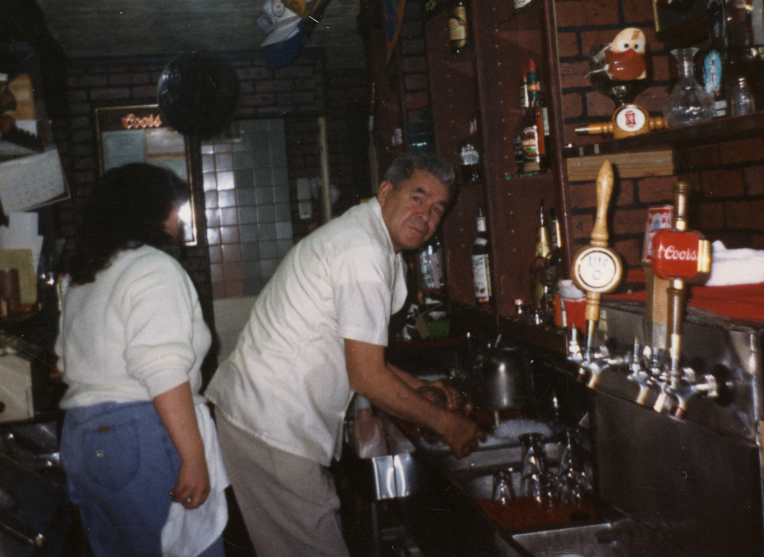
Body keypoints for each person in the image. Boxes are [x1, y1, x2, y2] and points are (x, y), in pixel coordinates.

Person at [206, 152, 483, 557]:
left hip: (259, 418)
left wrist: (420, 386)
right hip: (271, 425)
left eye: (438, 208)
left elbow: (357, 351)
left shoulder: (370, 241)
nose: (426, 215)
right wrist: (448, 425)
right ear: (386, 192)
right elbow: (367, 377)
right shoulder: (363, 252)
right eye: (418, 197)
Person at [56, 163, 227, 557]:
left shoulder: (87, 274)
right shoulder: (152, 268)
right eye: (174, 206)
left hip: (83, 440)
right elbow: (162, 371)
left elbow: (68, 360)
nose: (178, 216)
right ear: (148, 209)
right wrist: (194, 456)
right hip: (136, 435)